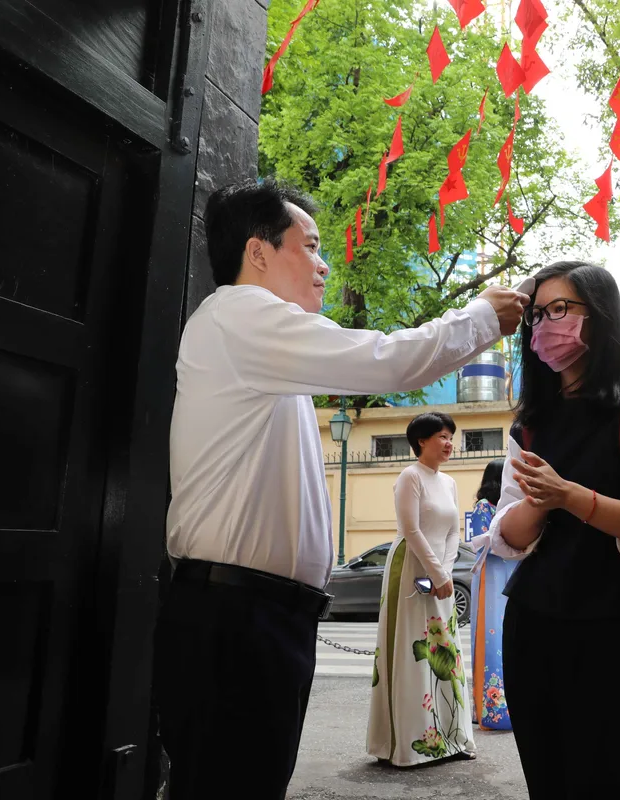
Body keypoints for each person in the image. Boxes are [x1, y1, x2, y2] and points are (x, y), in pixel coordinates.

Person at [154, 180, 526, 799]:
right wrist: (482, 317)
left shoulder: (267, 346)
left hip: (256, 615)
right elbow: (386, 360)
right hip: (235, 618)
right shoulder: (239, 314)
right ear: (260, 253)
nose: (325, 264)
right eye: (311, 246)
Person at [482, 260, 620, 799]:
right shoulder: (530, 420)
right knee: (546, 776)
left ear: (598, 317)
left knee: (604, 774)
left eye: (561, 310)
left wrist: (568, 495)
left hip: (609, 622)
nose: (546, 325)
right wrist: (539, 501)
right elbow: (510, 535)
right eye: (538, 315)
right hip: (533, 621)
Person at [367, 412, 475, 765]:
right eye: (441, 436)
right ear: (421, 442)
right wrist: (436, 574)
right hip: (410, 566)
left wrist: (444, 572)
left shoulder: (449, 483)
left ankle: (451, 739)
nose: (449, 443)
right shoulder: (409, 477)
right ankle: (408, 744)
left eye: (450, 436)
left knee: (445, 652)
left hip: (437, 571)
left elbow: (453, 532)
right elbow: (411, 530)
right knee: (411, 654)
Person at [468, 458, 516, 730]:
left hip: (512, 575)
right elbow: (481, 544)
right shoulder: (483, 508)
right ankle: (491, 709)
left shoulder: (510, 507)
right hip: (492, 577)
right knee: (492, 641)